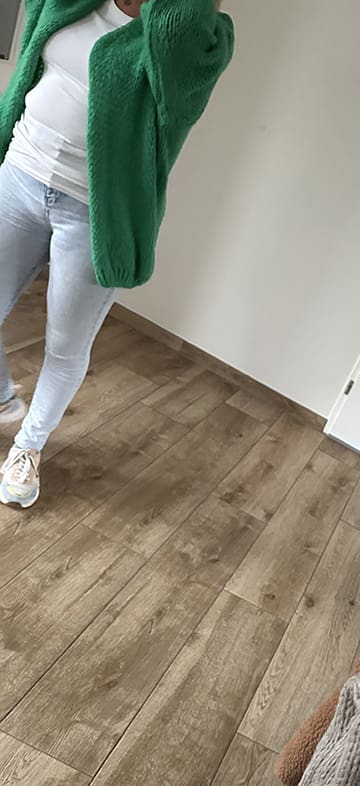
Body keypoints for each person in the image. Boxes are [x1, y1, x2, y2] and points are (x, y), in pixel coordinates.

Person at [0, 0, 233, 507]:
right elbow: (32, 57)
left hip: (96, 213)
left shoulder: (192, 38)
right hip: (19, 172)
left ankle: (28, 447)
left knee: (65, 345)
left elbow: (179, 89)